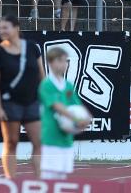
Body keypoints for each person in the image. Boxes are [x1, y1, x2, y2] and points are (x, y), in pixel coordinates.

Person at [0, 15, 45, 178]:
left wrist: (49, 99)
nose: (2, 31)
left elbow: (42, 75)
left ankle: (39, 180)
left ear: (16, 28)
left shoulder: (32, 48)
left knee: (39, 142)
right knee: (11, 142)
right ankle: (11, 180)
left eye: (5, 27)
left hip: (32, 101)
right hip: (10, 102)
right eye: (0, 28)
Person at [38, 46, 88, 180]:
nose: (64, 64)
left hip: (66, 139)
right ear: (51, 62)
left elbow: (78, 105)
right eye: (60, 60)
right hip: (51, 137)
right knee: (49, 177)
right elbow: (57, 106)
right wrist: (77, 120)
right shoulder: (46, 84)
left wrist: (87, 119)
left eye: (65, 61)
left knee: (62, 178)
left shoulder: (68, 85)